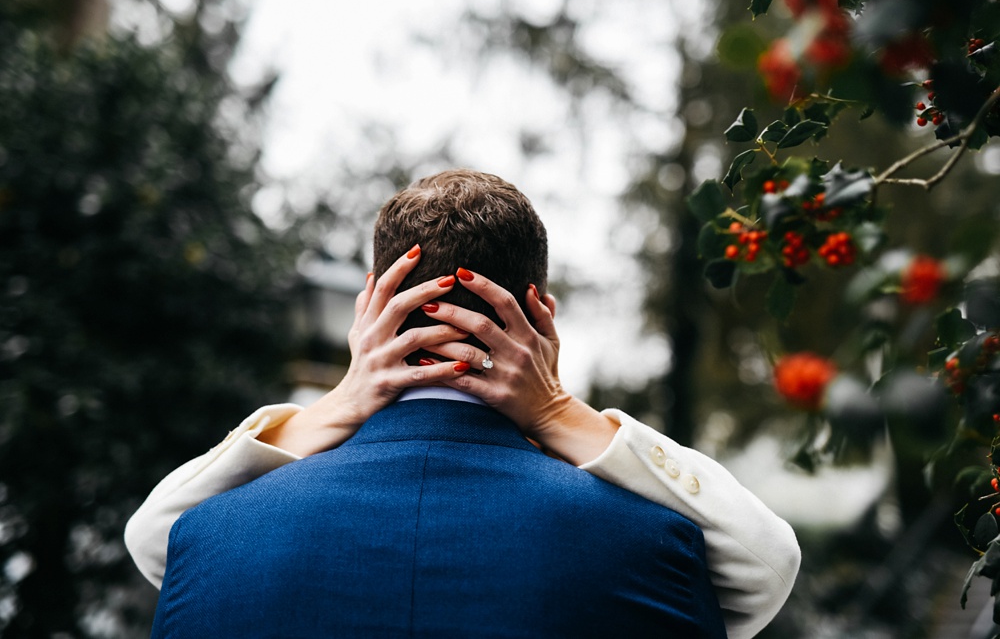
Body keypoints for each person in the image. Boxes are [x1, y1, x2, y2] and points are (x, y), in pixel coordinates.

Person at [127, 169, 800, 638]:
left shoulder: (209, 540)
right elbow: (768, 564)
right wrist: (558, 411)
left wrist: (336, 405)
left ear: (367, 313)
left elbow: (151, 538)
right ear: (542, 317)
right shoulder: (659, 549)